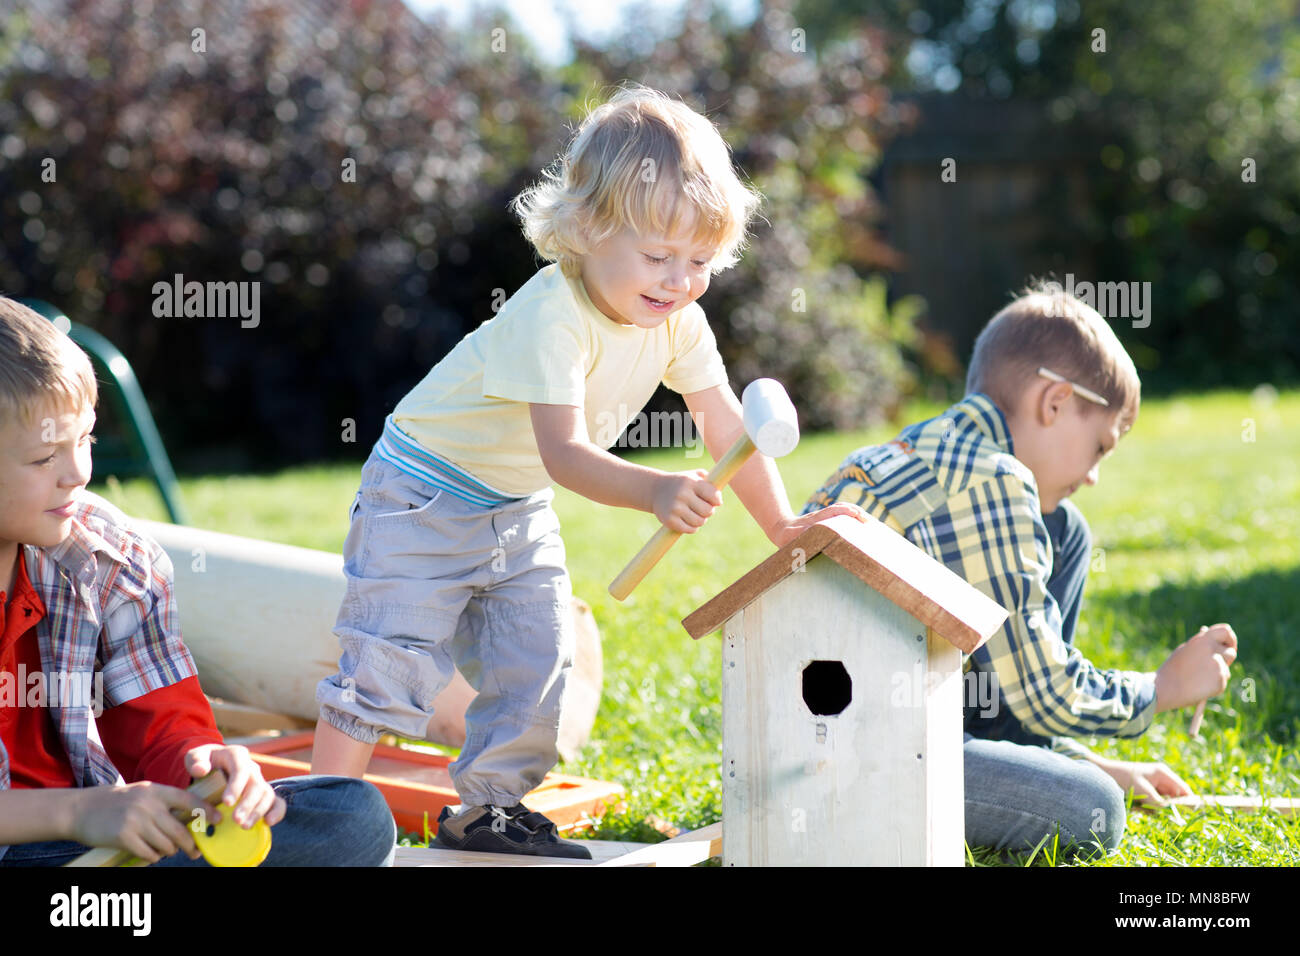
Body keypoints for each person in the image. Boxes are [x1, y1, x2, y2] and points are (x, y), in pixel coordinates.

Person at [312, 83, 864, 857]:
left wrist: (782, 525)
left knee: (539, 660)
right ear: (590, 228)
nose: (679, 279)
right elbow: (564, 455)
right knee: (389, 658)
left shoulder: (679, 322)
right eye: (659, 255)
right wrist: (655, 490)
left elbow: (726, 426)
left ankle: (487, 811)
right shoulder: (553, 314)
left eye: (700, 260)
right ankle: (319, 820)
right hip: (421, 490)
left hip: (514, 504)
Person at [803, 284, 1238, 858]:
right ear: (1054, 402)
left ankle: (1041, 760)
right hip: (864, 759)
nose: (1093, 475)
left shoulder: (923, 451)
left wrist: (1088, 758)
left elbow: (1013, 673)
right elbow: (1041, 691)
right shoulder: (993, 480)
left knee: (1066, 529)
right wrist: (1161, 689)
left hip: (820, 740)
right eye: (1100, 447)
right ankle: (1044, 773)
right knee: (1090, 808)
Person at [0, 297, 395, 867]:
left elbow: (163, 728)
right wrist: (78, 811)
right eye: (43, 458)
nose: (78, 473)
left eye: (84, 439)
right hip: (44, 837)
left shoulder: (111, 560)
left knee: (350, 815)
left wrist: (209, 769)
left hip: (93, 849)